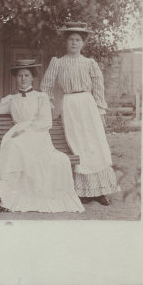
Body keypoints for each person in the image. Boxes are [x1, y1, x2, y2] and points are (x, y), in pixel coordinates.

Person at [0, 60, 85, 213]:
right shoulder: (11, 99)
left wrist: (26, 130)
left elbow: (46, 122)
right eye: (20, 76)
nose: (23, 79)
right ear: (16, 78)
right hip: (17, 134)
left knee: (15, 145)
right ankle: (4, 197)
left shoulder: (41, 97)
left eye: (27, 75)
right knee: (13, 145)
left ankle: (1, 195)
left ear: (33, 78)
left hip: (38, 135)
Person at [40, 22, 120, 206]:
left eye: (77, 40)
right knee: (78, 144)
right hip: (70, 105)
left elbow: (98, 87)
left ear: (83, 43)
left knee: (95, 144)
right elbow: (46, 87)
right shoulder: (58, 62)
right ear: (66, 42)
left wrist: (100, 109)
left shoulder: (89, 63)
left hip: (88, 104)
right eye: (71, 40)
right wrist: (51, 106)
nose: (74, 43)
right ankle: (83, 190)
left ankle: (101, 191)